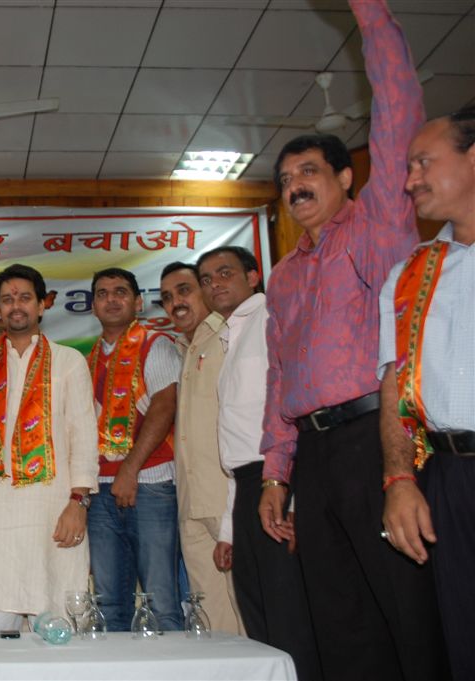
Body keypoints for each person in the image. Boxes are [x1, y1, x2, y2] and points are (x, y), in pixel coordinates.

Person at [258, 2, 446, 678]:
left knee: (405, 602)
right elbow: (281, 379)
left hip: (378, 438)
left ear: (345, 177)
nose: (293, 186)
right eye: (283, 181)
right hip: (312, 450)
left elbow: (398, 106)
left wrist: (370, 14)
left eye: (307, 171)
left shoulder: (378, 224)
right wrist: (277, 472)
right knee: (337, 615)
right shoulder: (281, 278)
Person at [379, 105, 475, 680]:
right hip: (447, 477)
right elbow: (391, 382)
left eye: (422, 162)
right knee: (460, 637)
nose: (410, 179)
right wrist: (398, 481)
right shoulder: (412, 270)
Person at [0, 264, 98, 630]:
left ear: (42, 305)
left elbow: (83, 435)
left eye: (25, 298)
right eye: (7, 299)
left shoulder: (69, 361)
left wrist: (78, 503)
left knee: (56, 616)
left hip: (53, 507)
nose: (16, 306)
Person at [198, 247, 321, 680]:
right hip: (249, 486)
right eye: (207, 278)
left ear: (254, 276)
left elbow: (292, 416)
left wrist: (291, 497)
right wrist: (230, 530)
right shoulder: (231, 335)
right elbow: (236, 444)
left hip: (279, 480)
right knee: (257, 610)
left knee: (290, 612)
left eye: (225, 273)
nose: (215, 284)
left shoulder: (273, 316)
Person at [85, 267, 182, 632]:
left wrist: (130, 469)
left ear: (138, 302)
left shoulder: (155, 344)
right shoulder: (91, 357)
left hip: (150, 486)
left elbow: (164, 406)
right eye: (103, 293)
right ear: (92, 305)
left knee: (160, 602)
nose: (111, 299)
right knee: (109, 603)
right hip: (100, 493)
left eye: (120, 291)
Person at [159, 261, 242, 635]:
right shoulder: (183, 349)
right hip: (190, 501)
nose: (175, 302)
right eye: (165, 298)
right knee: (210, 619)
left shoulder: (230, 335)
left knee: (246, 609)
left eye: (183, 290)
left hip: (228, 498)